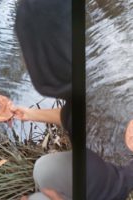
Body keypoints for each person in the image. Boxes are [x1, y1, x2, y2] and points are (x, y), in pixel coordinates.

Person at [13, 0, 133, 199]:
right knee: (44, 169)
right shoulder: (87, 80)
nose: (24, 61)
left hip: (115, 180)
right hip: (103, 170)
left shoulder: (112, 94)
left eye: (26, 51)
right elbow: (76, 116)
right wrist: (26, 113)